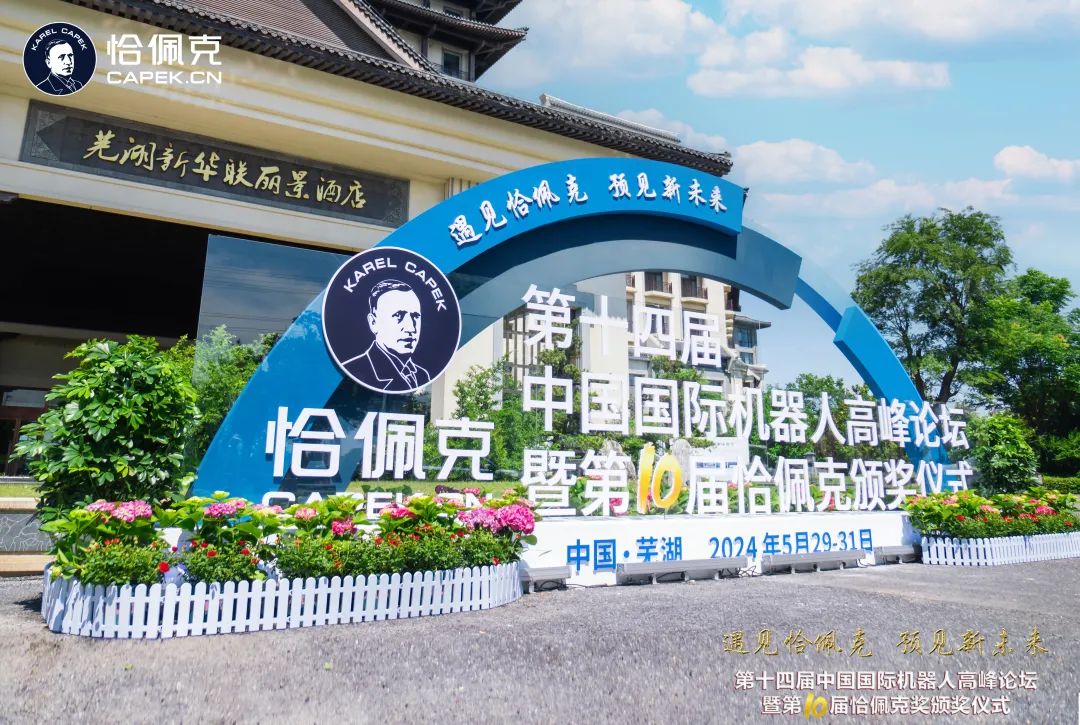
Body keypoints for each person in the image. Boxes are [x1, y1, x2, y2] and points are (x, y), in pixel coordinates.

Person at [343, 279, 430, 391]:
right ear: (373, 322)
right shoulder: (355, 370)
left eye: (415, 316)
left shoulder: (422, 375)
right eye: (398, 315)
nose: (411, 328)